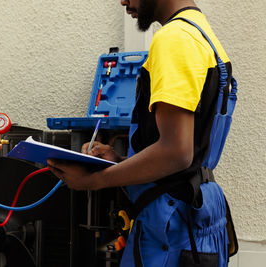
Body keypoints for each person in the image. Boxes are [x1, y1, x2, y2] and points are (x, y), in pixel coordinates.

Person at [47, 0, 237, 266]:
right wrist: (121, 163)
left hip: (169, 225)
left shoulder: (173, 39)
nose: (122, 1)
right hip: (197, 214)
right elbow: (187, 156)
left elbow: (176, 154)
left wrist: (93, 181)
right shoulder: (202, 35)